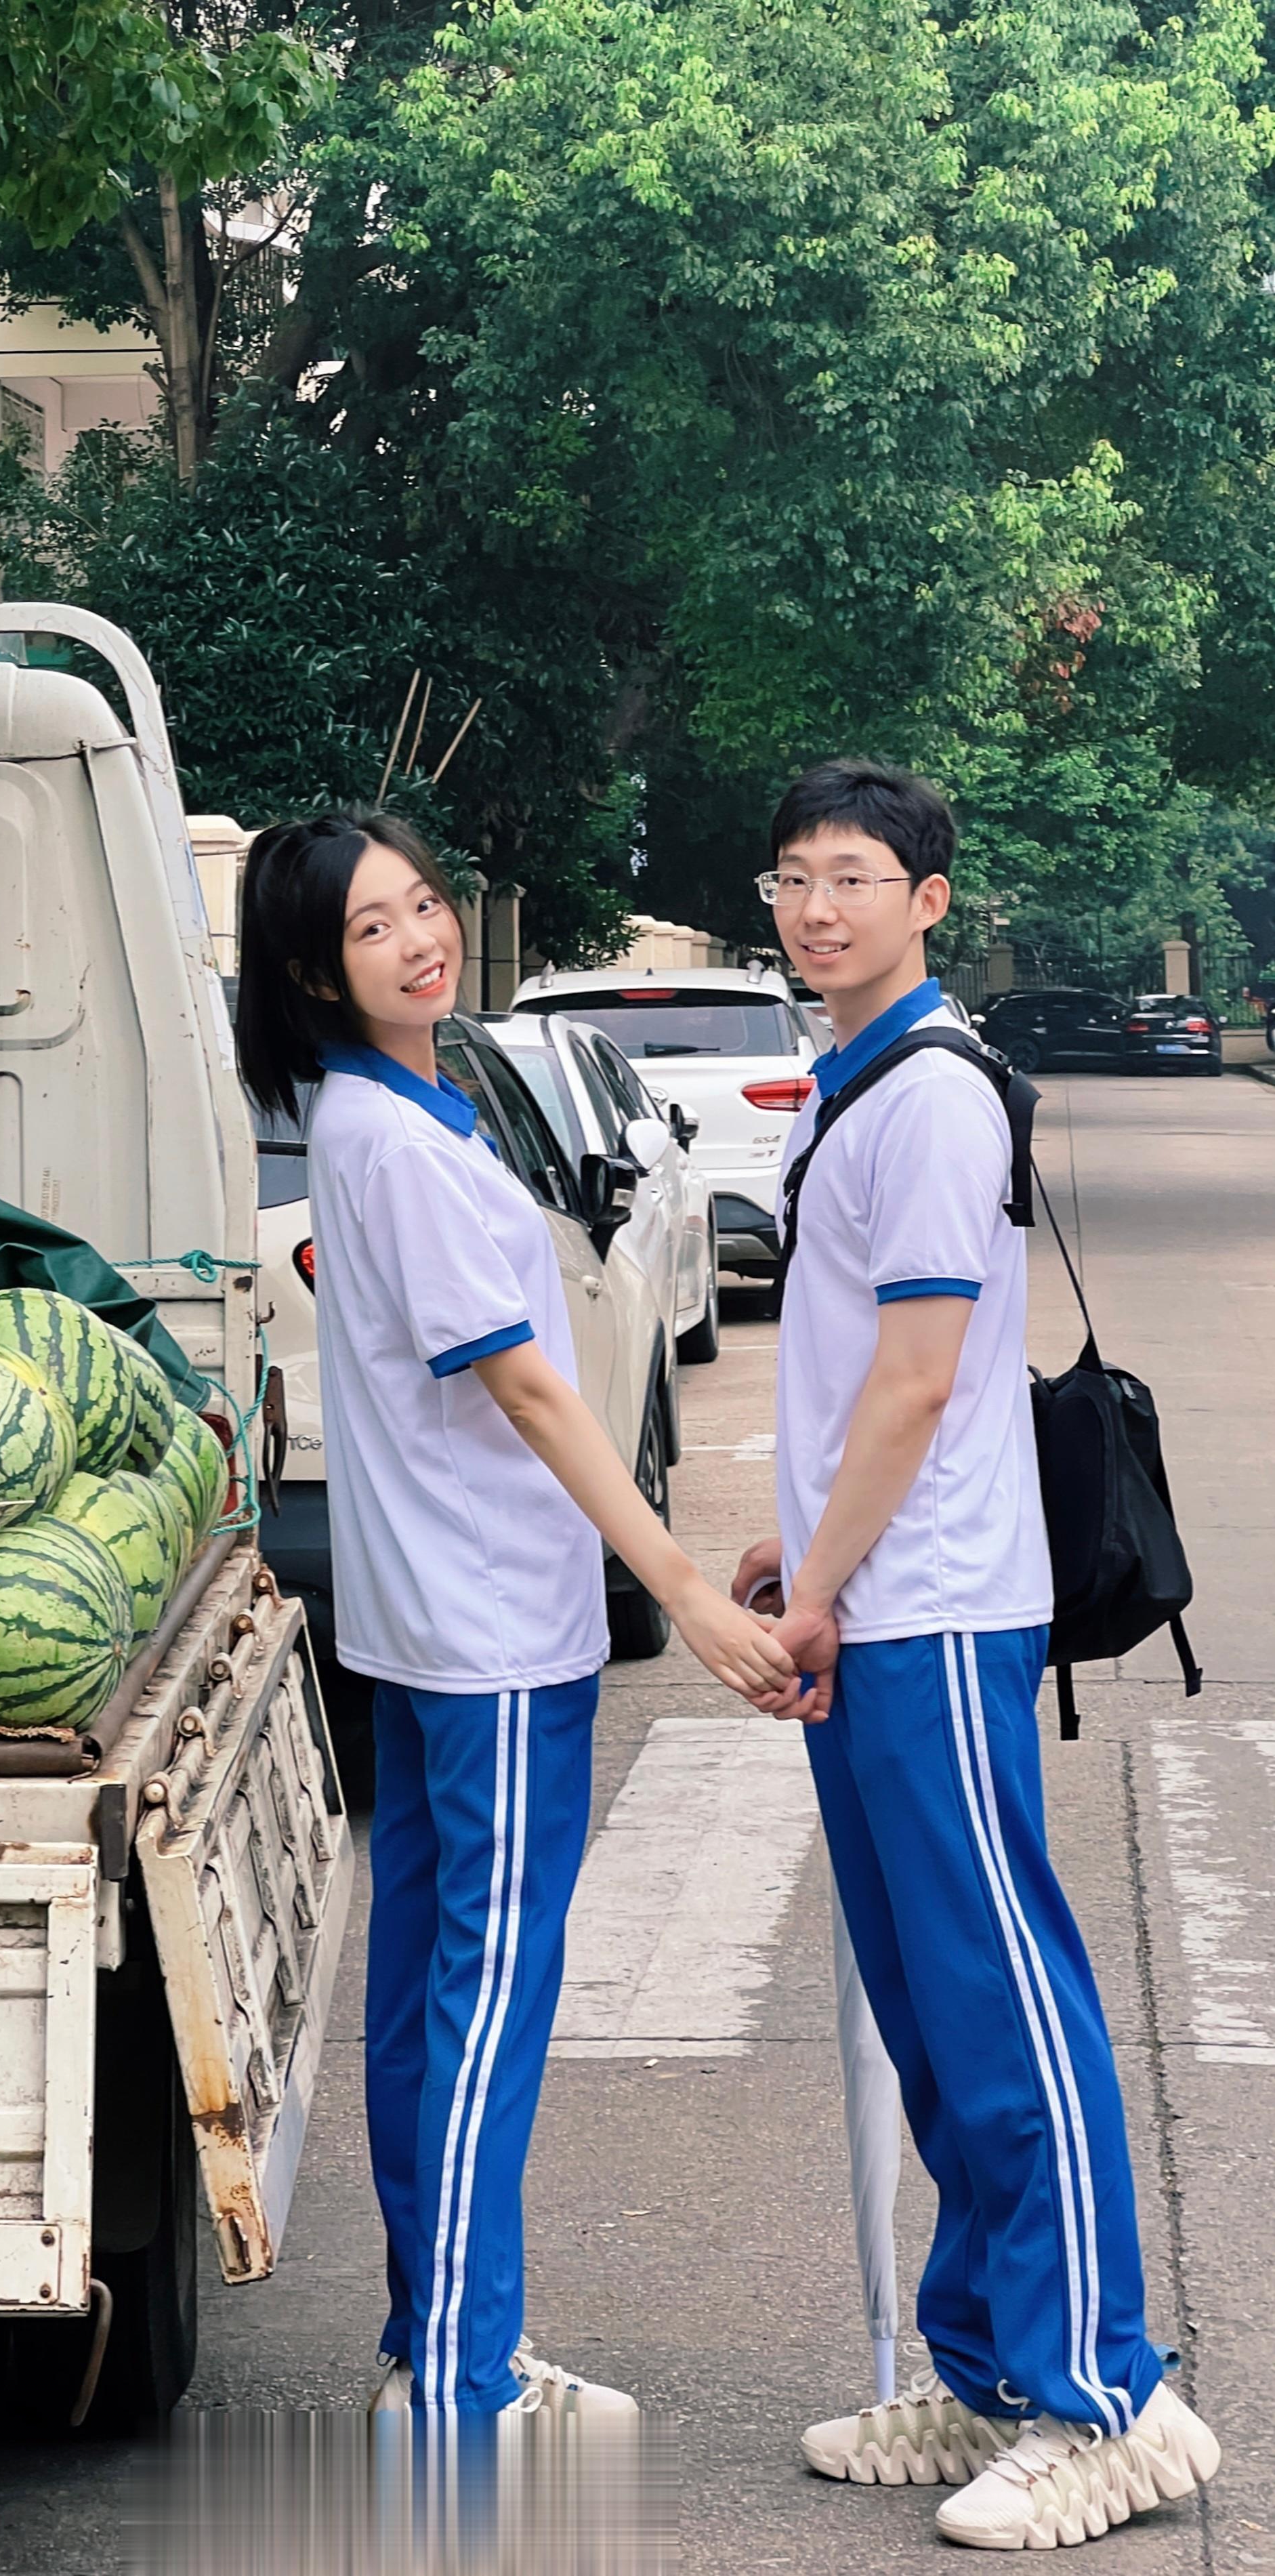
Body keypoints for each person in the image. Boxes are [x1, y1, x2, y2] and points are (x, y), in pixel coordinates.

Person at [234, 811, 799, 2419]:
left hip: (440, 1620)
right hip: (488, 1631)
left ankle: (439, 2343)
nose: (422, 936)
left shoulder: (400, 1110)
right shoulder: (393, 1140)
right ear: (308, 969)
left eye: (423, 902)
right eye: (373, 927)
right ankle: (467, 2379)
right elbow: (538, 1392)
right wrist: (679, 1583)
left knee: (432, 1996)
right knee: (484, 2006)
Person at [736, 760, 1221, 2548]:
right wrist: (799, 1536)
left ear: (927, 898)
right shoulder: (850, 1089)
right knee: (938, 2014)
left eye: (850, 877)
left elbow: (926, 1376)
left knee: (1003, 1998)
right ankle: (989, 2371)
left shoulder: (928, 1099)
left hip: (927, 1611)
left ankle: (1103, 2395)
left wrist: (820, 1586)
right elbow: (859, 1362)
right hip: (875, 1594)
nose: (813, 909)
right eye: (788, 878)